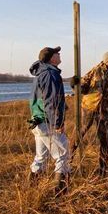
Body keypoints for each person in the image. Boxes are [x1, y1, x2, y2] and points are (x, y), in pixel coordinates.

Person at [28, 46, 70, 195]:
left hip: (38, 121)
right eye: (57, 53)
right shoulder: (51, 74)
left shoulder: (41, 73)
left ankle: (31, 189)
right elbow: (52, 101)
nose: (59, 55)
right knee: (63, 154)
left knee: (41, 156)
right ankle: (60, 192)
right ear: (52, 58)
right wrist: (57, 123)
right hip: (47, 122)